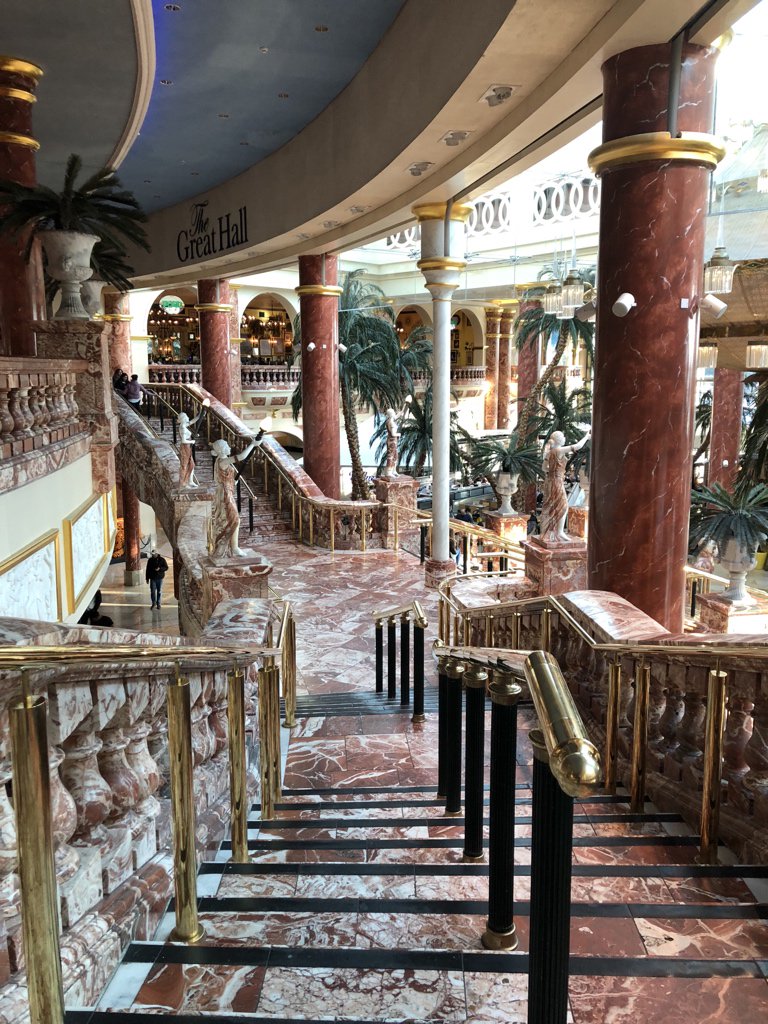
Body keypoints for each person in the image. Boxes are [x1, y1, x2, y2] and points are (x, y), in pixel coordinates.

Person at [211, 436, 259, 557]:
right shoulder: (223, 460)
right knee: (234, 520)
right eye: (226, 445)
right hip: (225, 495)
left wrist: (232, 481)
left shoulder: (220, 460)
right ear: (222, 449)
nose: (229, 447)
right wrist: (253, 444)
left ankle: (233, 547)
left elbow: (222, 477)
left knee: (232, 520)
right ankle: (234, 547)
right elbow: (242, 457)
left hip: (226, 491)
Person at [540, 429, 590, 543]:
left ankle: (550, 533)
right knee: (563, 506)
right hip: (557, 481)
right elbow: (577, 446)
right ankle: (559, 532)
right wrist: (586, 437)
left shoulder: (549, 452)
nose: (564, 438)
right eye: (563, 436)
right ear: (559, 440)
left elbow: (544, 468)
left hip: (550, 481)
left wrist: (553, 470)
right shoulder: (559, 450)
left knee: (550, 506)